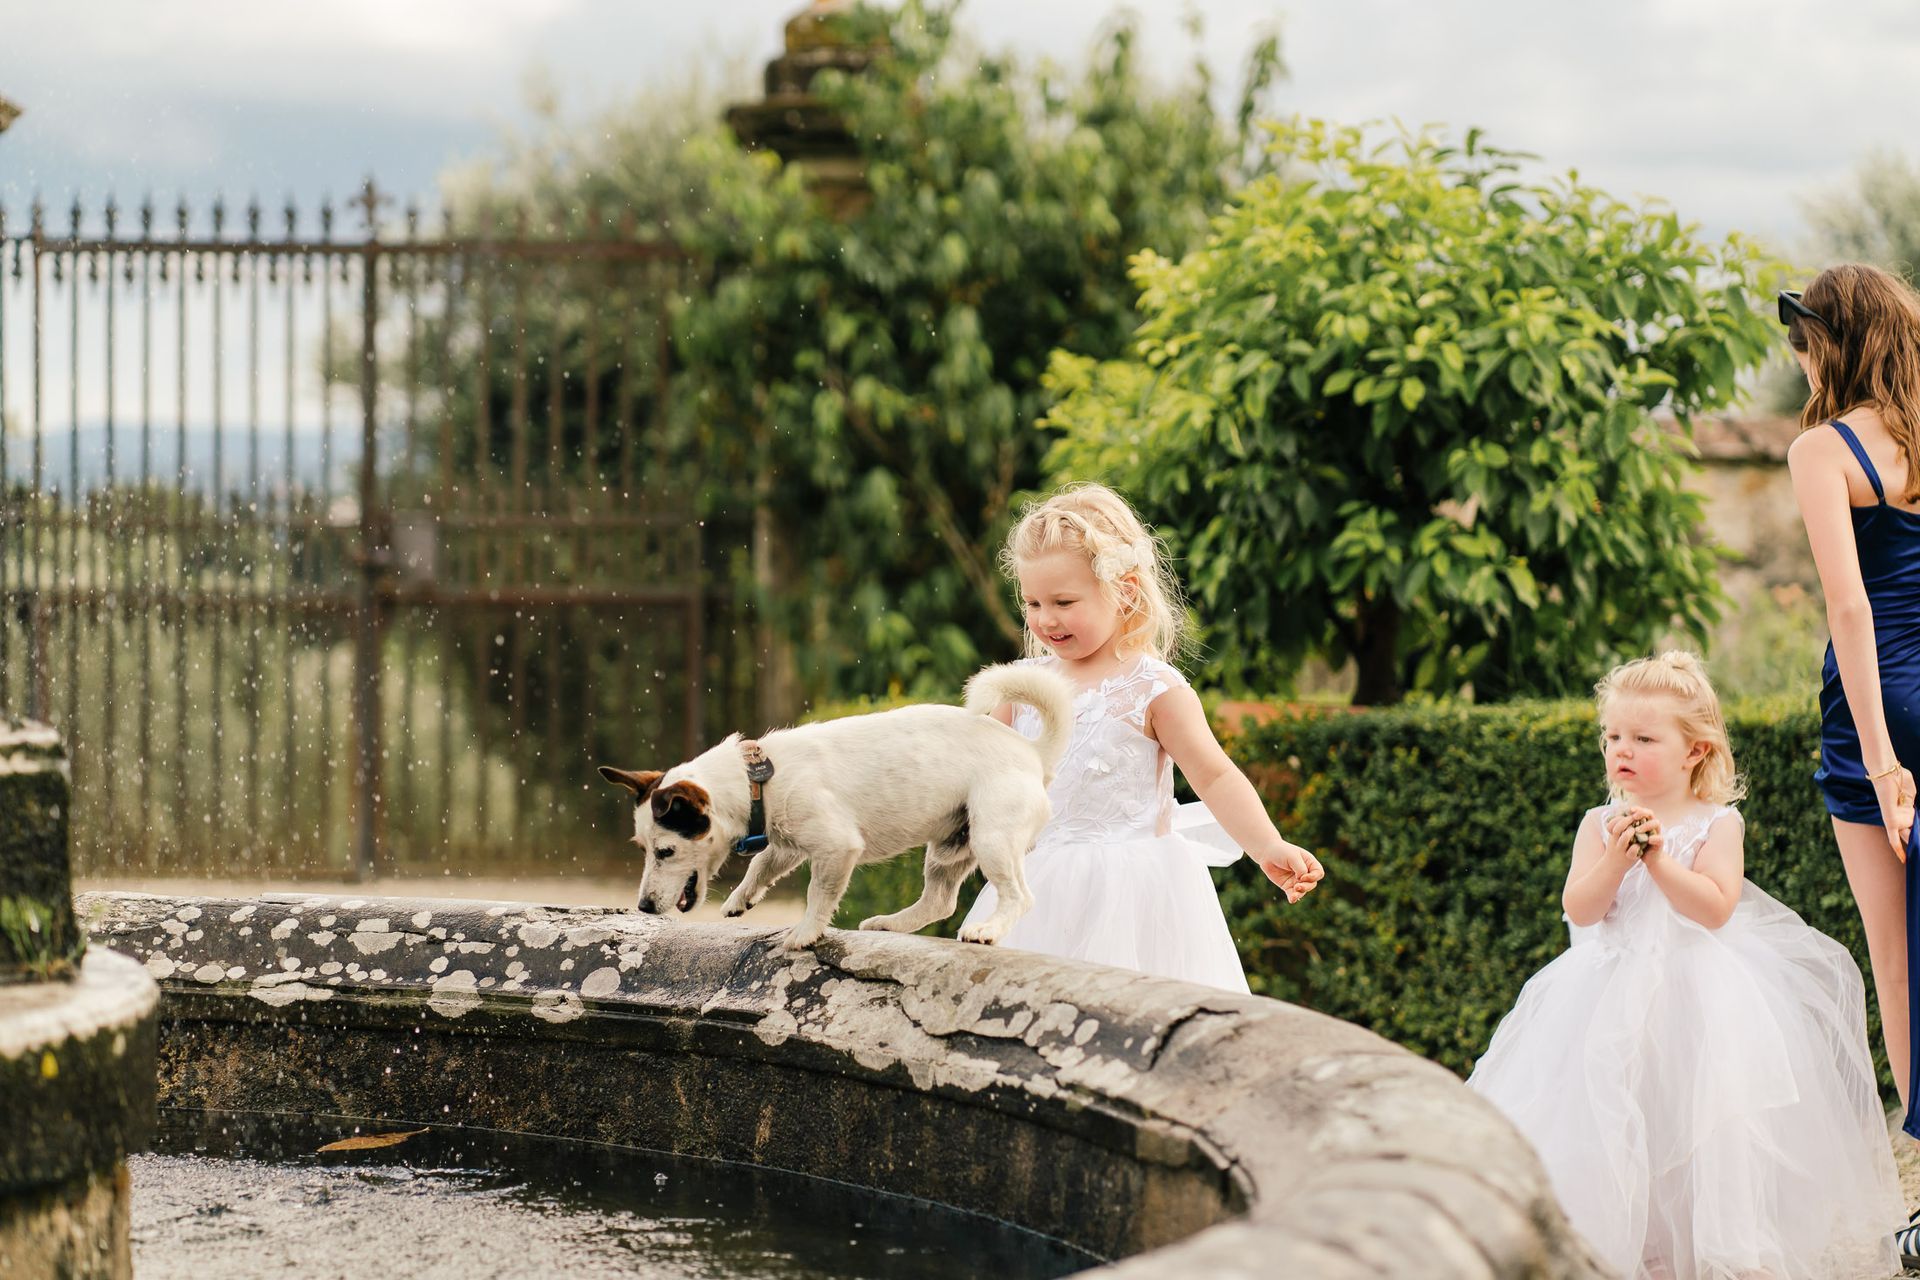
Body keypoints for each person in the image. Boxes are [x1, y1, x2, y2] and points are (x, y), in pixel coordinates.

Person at [1467, 652, 1902, 1278]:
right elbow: (1580, 909)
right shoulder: (1599, 823)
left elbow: (1717, 908)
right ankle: (1627, 1251)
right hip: (1607, 1003)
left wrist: (1658, 862)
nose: (1622, 749)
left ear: (1694, 751)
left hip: (1698, 1003)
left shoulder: (1717, 824)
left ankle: (1692, 1255)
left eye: (1644, 738)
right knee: (1615, 1123)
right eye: (1613, 736)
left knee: (1698, 1132)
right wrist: (1616, 861)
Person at [958, 482, 1323, 990]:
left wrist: (1267, 846)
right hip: (1037, 889)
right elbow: (971, 770)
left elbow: (1214, 776)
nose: (1046, 619)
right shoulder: (1019, 688)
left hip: (1136, 894)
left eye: (1064, 601)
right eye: (1033, 603)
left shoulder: (1154, 689)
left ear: (1124, 590)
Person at [1781, 266, 1920, 1149]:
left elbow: (1850, 606)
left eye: (1803, 346)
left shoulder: (1824, 449)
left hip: (1882, 705)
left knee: (1899, 960)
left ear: (1831, 343)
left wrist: (1881, 762)